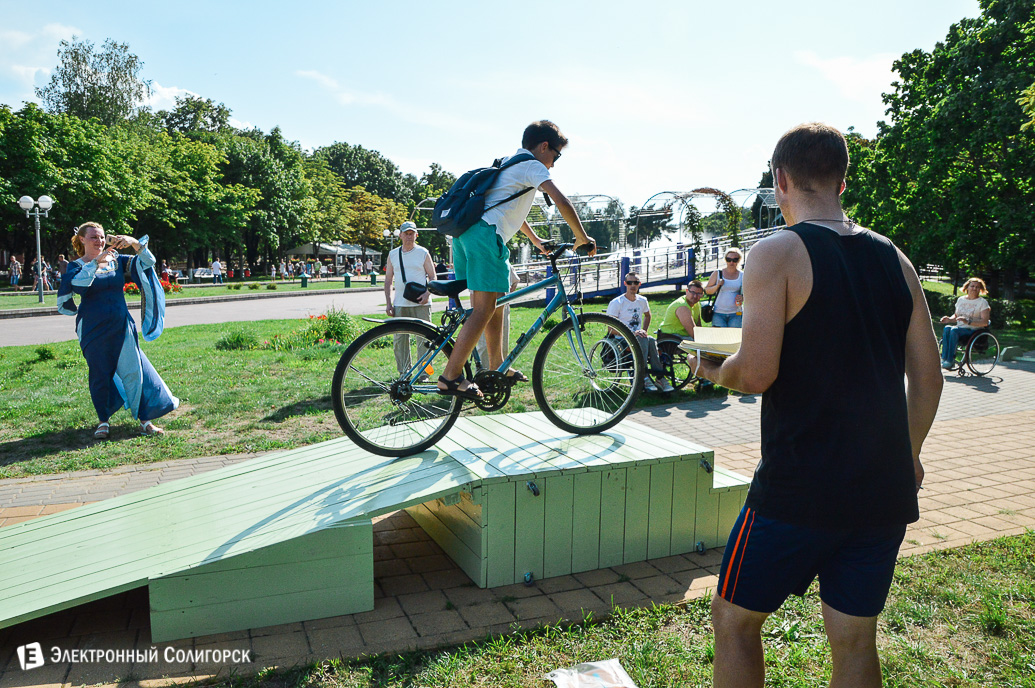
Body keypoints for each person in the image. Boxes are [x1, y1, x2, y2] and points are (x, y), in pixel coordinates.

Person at [690, 123, 943, 688]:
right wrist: (911, 452)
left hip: (799, 487)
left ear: (780, 180)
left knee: (733, 620)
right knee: (854, 637)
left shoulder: (776, 251)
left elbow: (755, 373)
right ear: (843, 180)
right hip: (882, 488)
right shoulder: (895, 259)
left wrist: (711, 369)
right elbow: (930, 377)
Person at [437, 119, 596, 399]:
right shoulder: (533, 165)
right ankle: (450, 377)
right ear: (544, 146)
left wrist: (536, 242)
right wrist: (582, 237)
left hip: (468, 235)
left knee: (496, 301)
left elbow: (505, 206)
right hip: (485, 237)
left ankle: (497, 365)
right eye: (556, 155)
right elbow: (561, 200)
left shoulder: (510, 162)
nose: (554, 164)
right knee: (483, 310)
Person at [58, 222, 179, 439]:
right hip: (92, 329)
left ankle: (145, 421)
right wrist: (96, 262)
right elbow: (78, 285)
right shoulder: (76, 266)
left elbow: (148, 262)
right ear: (82, 240)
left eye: (102, 237)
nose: (100, 241)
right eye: (94, 237)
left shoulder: (118, 261)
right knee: (100, 374)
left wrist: (135, 244)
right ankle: (103, 421)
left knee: (134, 371)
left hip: (121, 324)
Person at [606, 271, 674, 393]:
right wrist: (631, 334)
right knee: (643, 339)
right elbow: (610, 329)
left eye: (636, 282)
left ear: (639, 284)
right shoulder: (617, 303)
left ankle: (659, 377)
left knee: (651, 340)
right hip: (622, 340)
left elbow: (648, 315)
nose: (633, 285)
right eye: (630, 282)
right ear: (625, 284)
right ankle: (643, 375)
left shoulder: (642, 300)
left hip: (638, 338)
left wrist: (644, 330)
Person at [384, 221, 437, 374]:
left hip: (422, 304)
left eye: (411, 233)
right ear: (400, 235)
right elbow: (388, 280)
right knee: (400, 341)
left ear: (416, 235)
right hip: (400, 304)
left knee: (425, 341)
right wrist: (389, 303)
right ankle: (404, 372)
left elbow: (433, 277)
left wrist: (427, 294)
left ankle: (425, 372)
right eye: (406, 233)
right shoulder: (393, 254)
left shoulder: (423, 252)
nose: (409, 236)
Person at [938, 277, 991, 370]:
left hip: (973, 331)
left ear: (981, 289)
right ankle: (944, 358)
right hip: (960, 329)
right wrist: (949, 319)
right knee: (947, 328)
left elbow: (985, 322)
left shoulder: (982, 302)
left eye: (977, 287)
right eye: (972, 286)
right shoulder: (961, 300)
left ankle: (950, 360)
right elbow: (956, 316)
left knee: (954, 330)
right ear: (967, 287)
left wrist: (968, 321)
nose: (974, 288)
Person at [705, 247, 745, 327]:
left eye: (735, 260)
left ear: (739, 260)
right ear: (725, 259)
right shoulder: (717, 273)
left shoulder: (742, 275)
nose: (731, 262)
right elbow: (707, 290)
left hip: (736, 313)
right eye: (728, 259)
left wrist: (743, 298)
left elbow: (750, 293)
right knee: (719, 337)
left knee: (734, 337)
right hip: (718, 313)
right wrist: (717, 285)